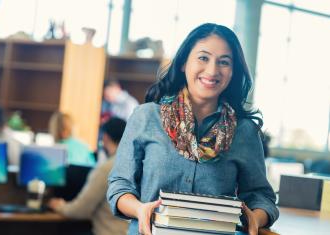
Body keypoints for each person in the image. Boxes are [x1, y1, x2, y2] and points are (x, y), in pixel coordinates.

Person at [107, 23, 279, 235]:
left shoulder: (244, 131)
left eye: (224, 62)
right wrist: (139, 209)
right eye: (203, 58)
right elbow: (120, 185)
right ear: (183, 63)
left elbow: (261, 196)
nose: (212, 70)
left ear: (233, 72)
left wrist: (255, 217)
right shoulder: (146, 116)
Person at [48, 117, 128, 235]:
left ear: (105, 137)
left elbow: (80, 210)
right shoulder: (135, 165)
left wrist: (59, 206)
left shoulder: (106, 169)